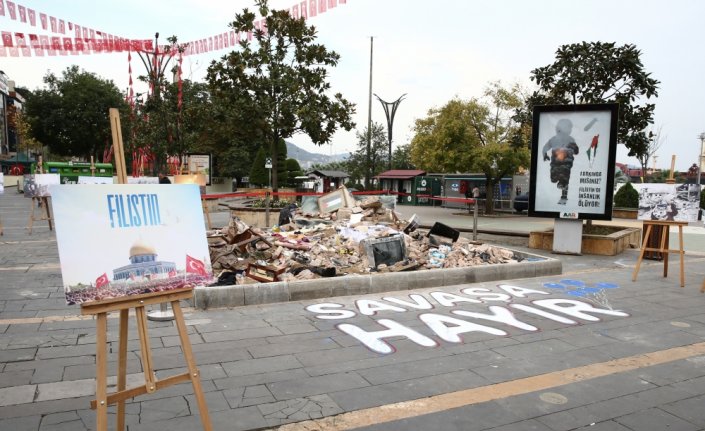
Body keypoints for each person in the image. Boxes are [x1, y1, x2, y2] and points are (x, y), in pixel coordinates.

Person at [542, 118, 579, 205]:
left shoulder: (571, 139)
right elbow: (545, 148)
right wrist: (545, 155)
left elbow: (577, 152)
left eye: (570, 129)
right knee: (553, 179)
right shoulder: (553, 139)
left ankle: (564, 197)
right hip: (555, 163)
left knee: (565, 178)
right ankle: (558, 180)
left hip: (567, 163)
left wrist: (574, 147)